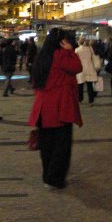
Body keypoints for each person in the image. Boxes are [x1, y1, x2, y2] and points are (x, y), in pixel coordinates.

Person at [27, 28, 82, 190]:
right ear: (62, 42)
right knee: (61, 145)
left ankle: (47, 176)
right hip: (59, 108)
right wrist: (70, 51)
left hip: (43, 108)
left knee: (46, 144)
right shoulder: (61, 55)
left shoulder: (42, 57)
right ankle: (54, 179)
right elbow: (77, 67)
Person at [75, 39, 97, 105]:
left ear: (79, 43)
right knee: (90, 86)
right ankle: (91, 101)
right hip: (89, 68)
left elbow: (75, 59)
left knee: (80, 86)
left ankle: (80, 100)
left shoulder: (77, 50)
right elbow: (93, 57)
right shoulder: (90, 49)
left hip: (80, 69)